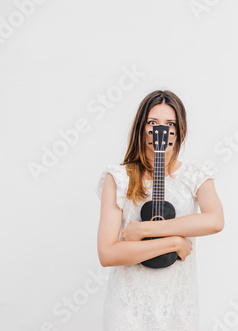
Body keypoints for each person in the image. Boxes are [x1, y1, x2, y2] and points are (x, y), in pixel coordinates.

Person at [96, 90, 224, 330]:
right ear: (141, 128)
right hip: (127, 309)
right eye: (152, 122)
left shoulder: (196, 177)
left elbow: (215, 220)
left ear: (179, 130)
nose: (160, 130)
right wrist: (174, 243)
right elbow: (108, 254)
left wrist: (147, 228)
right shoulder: (120, 177)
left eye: (170, 123)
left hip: (178, 307)